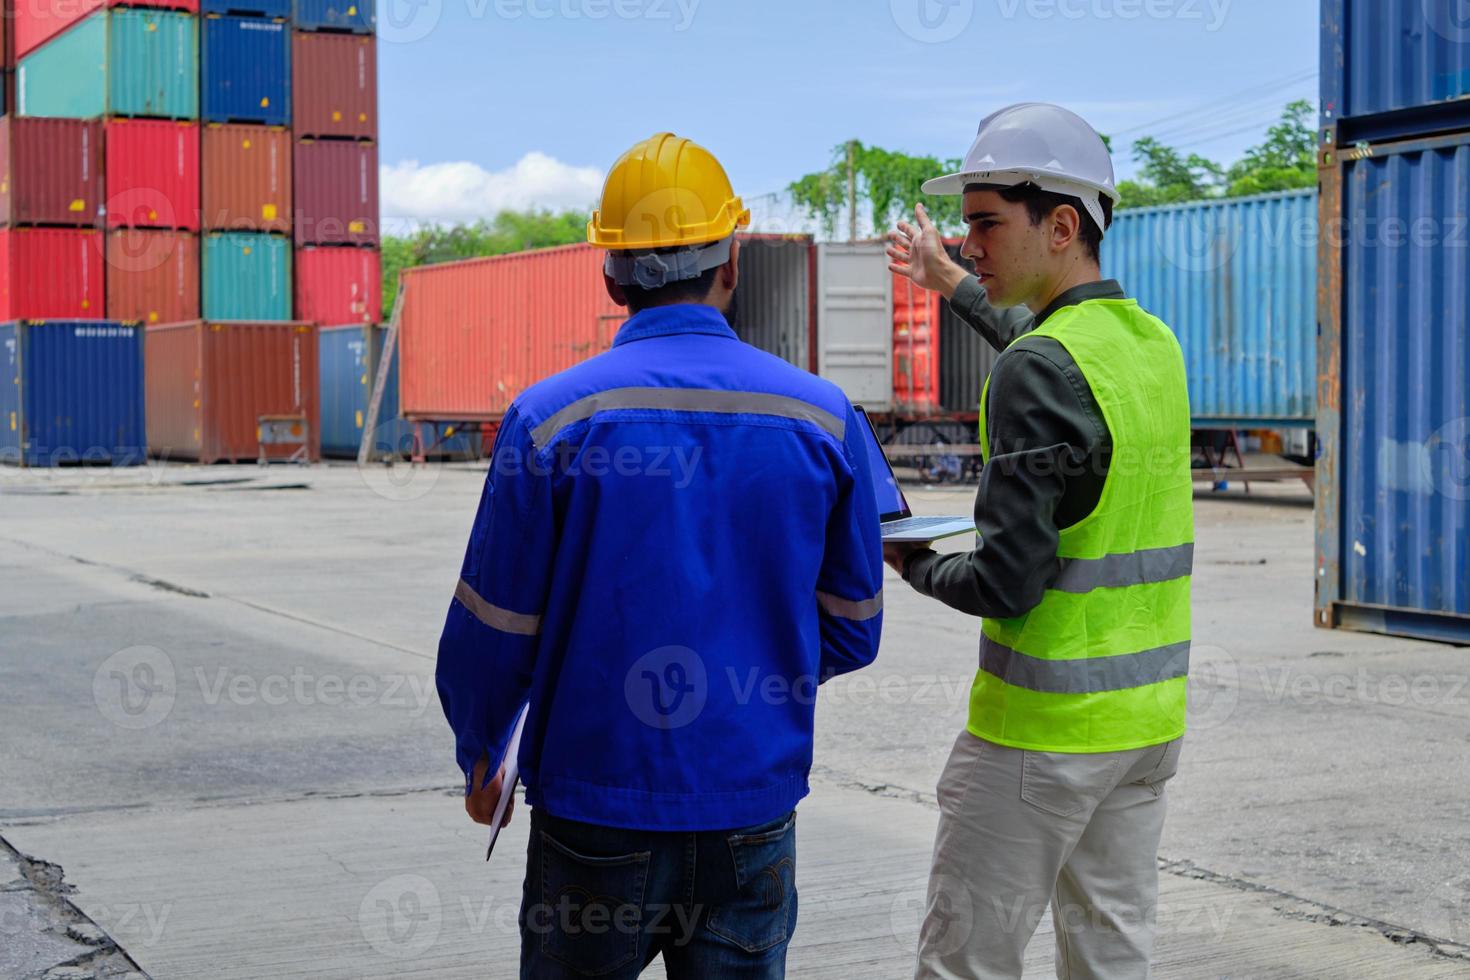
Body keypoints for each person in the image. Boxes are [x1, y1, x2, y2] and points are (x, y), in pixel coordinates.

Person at [435, 132, 884, 980]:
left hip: (593, 811)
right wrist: (747, 684)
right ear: (732, 262)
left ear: (609, 276)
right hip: (751, 809)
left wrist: (480, 752)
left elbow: (495, 630)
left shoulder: (550, 422)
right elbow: (854, 629)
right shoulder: (824, 421)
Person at [884, 103, 1193, 980]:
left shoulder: (1039, 367)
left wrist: (917, 562)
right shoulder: (1148, 345)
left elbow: (1009, 581)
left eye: (985, 223)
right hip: (1144, 728)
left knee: (967, 962)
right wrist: (950, 284)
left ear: (1061, 225)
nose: (968, 240)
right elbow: (1048, 351)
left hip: (1041, 737)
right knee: (1110, 957)